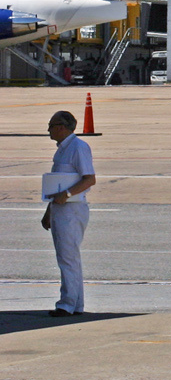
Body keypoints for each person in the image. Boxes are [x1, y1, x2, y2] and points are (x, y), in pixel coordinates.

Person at [42, 110, 94, 317]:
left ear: (62, 127)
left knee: (67, 257)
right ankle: (76, 304)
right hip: (61, 208)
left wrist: (68, 193)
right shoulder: (62, 150)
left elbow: (89, 178)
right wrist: (49, 211)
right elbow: (57, 182)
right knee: (68, 257)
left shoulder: (78, 148)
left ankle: (67, 303)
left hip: (72, 208)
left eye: (51, 126)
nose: (49, 130)